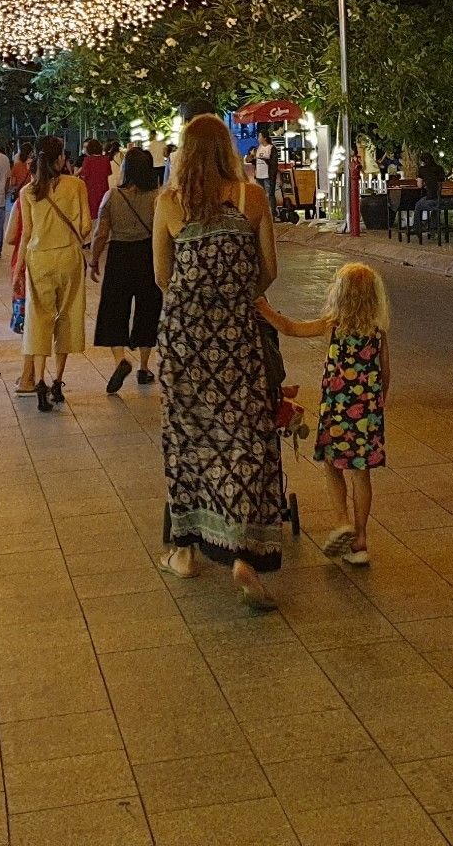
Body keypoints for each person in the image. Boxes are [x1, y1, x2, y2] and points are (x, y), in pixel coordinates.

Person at [154, 113, 287, 610]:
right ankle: (242, 556)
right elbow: (269, 270)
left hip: (185, 341)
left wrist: (198, 305)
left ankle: (185, 553)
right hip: (236, 337)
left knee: (189, 440)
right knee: (243, 440)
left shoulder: (169, 203)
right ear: (228, 149)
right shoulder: (251, 197)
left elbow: (162, 277)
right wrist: (234, 297)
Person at [258, 262, 391, 567]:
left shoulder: (334, 325)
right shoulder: (378, 332)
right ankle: (360, 540)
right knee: (362, 473)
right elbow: (386, 374)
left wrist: (264, 307)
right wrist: (376, 405)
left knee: (333, 466)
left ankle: (342, 520)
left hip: (337, 410)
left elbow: (291, 327)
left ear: (340, 295)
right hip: (368, 413)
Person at [8, 137, 93, 409]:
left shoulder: (28, 192)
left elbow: (26, 234)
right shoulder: (76, 186)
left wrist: (19, 268)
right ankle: (58, 381)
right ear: (61, 160)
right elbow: (85, 227)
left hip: (38, 259)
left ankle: (40, 381)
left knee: (39, 318)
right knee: (67, 315)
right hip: (68, 257)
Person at [91, 146, 163, 391]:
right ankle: (144, 367)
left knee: (114, 309)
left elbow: (101, 234)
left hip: (119, 255)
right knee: (148, 309)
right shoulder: (157, 197)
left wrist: (93, 261)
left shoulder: (112, 196)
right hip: (147, 255)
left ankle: (120, 359)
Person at [78, 137, 114, 219]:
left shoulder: (87, 160)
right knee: (102, 213)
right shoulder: (106, 160)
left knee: (92, 214)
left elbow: (83, 176)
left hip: (91, 191)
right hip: (104, 189)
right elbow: (109, 173)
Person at [252, 130, 277, 207]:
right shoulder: (258, 148)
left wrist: (265, 159)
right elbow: (255, 161)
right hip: (259, 175)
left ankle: (271, 214)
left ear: (264, 138)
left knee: (269, 195)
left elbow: (274, 163)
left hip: (267, 176)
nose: (258, 138)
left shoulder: (271, 148)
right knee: (260, 196)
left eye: (260, 136)